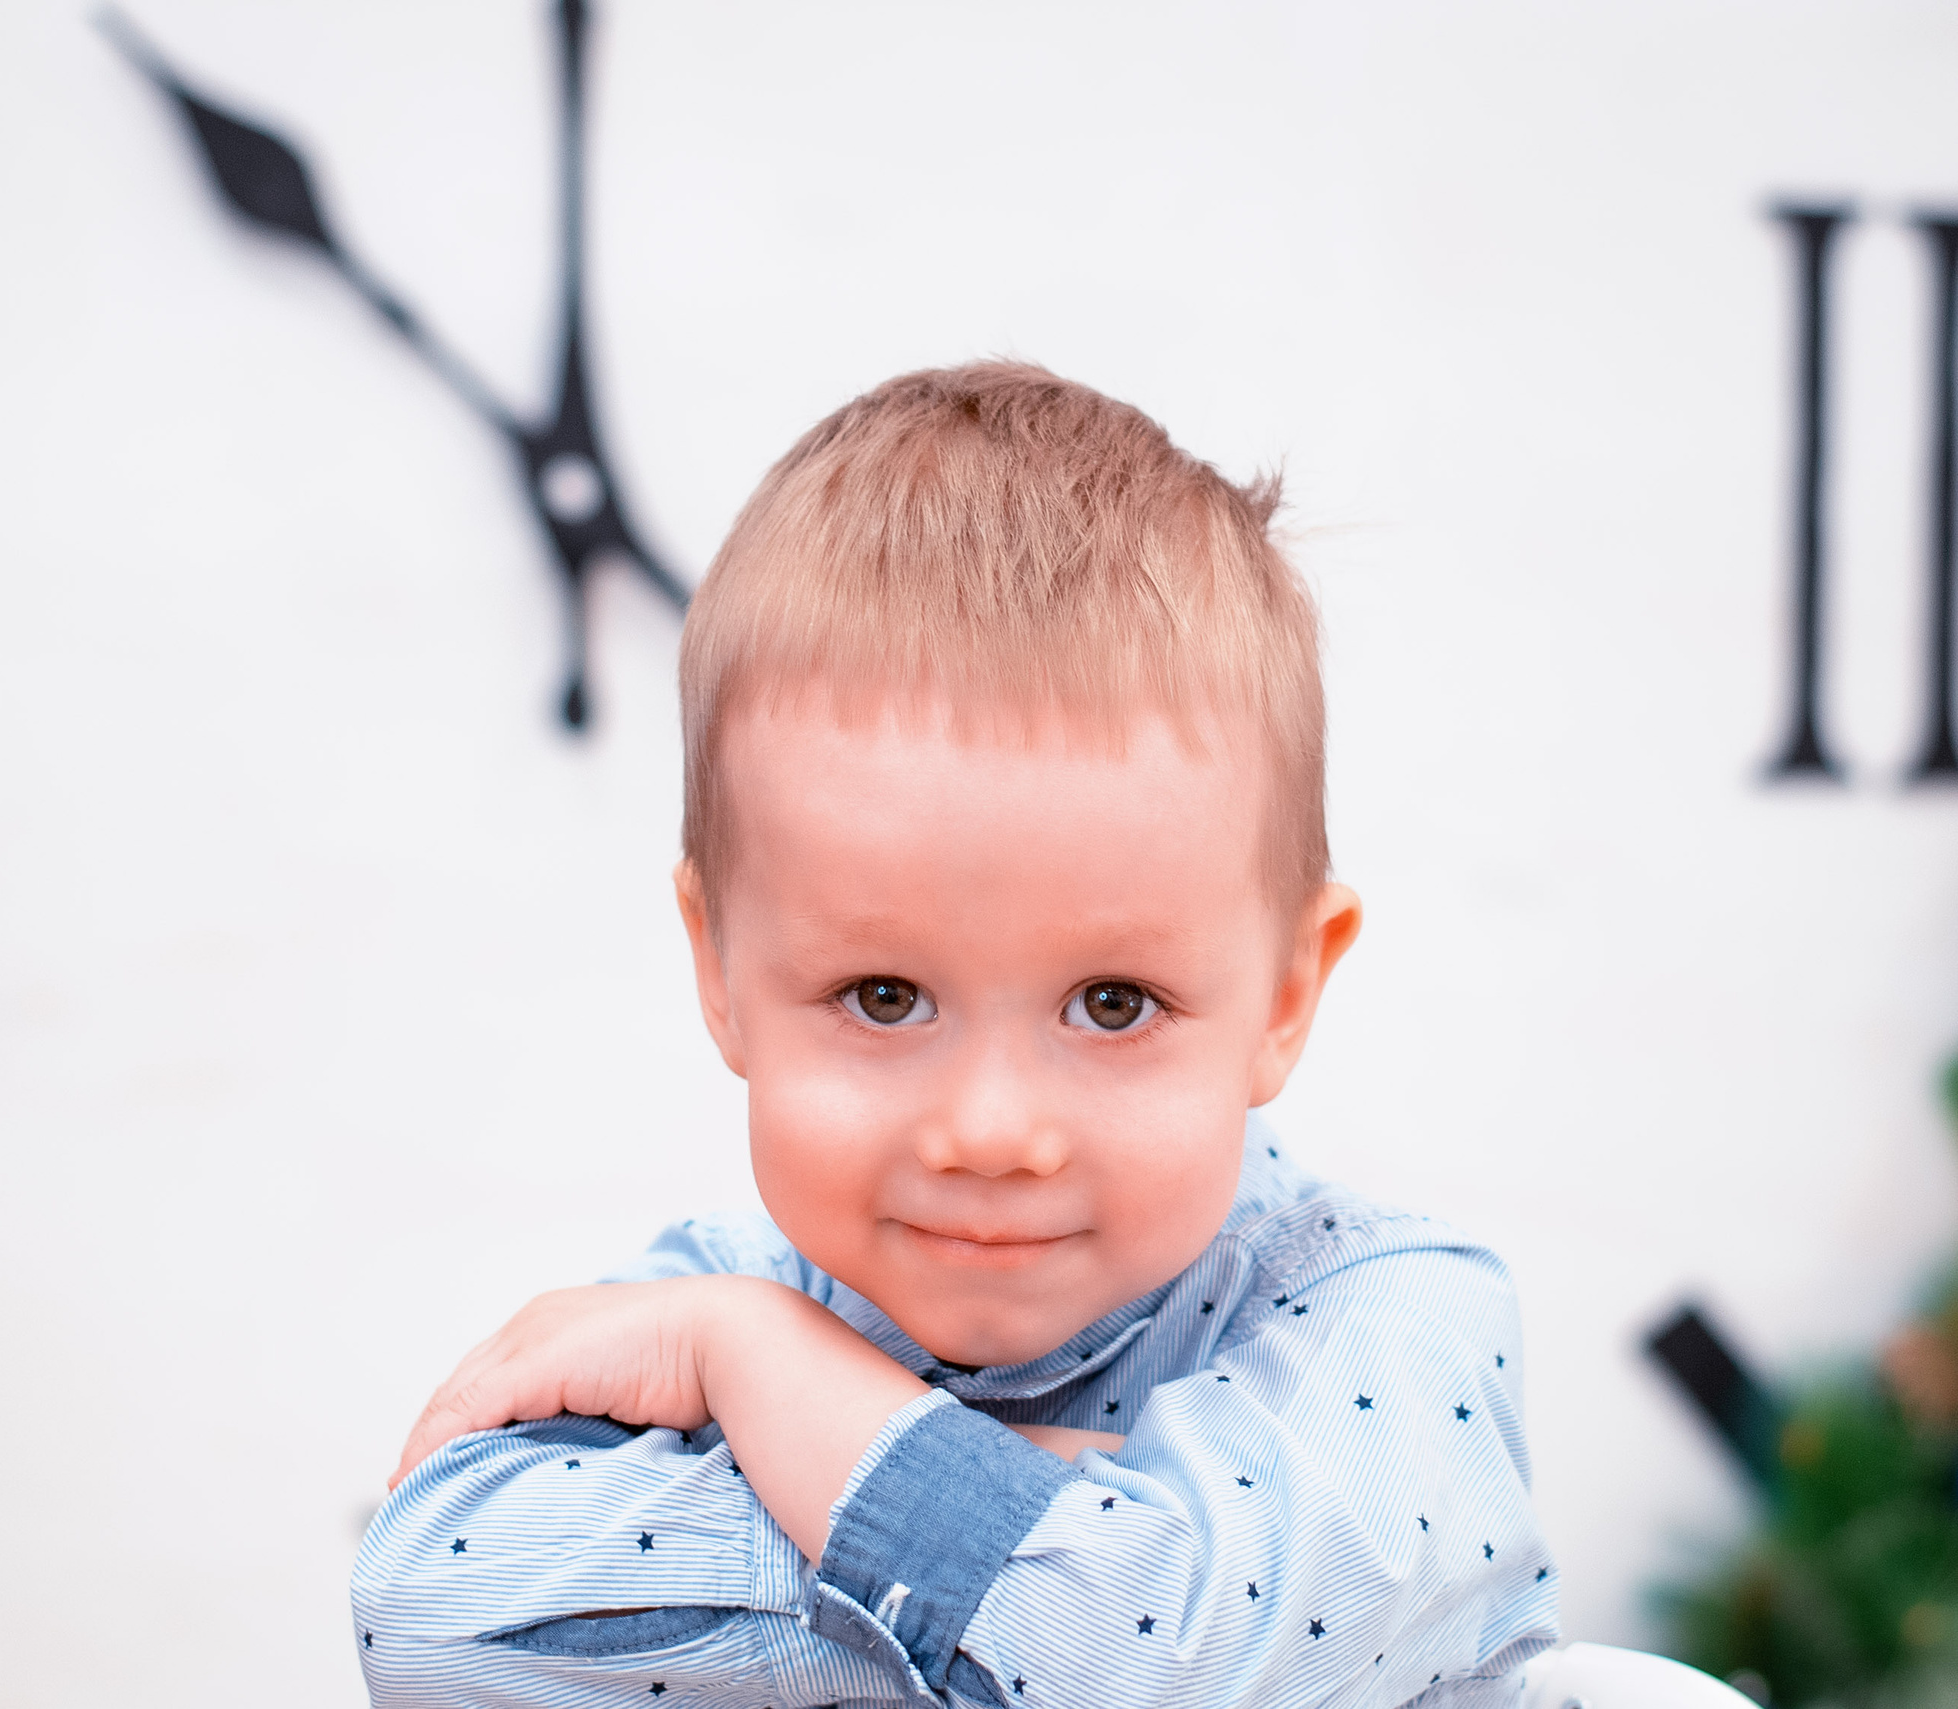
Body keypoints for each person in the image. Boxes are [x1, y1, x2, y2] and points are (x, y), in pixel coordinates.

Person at [350, 363, 1556, 1708]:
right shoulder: (705, 1287)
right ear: (723, 967)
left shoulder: (1394, 1320)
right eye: (883, 995)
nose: (990, 1129)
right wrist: (1096, 1532)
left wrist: (767, 1375)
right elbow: (432, 1607)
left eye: (1112, 1003)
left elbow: (1149, 1666)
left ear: (1284, 992)